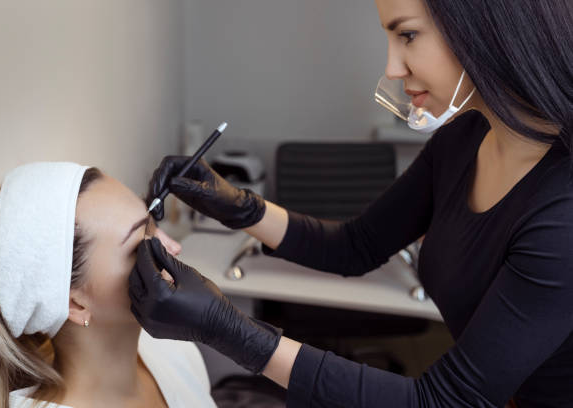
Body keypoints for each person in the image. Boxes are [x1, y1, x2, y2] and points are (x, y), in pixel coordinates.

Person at [129, 0, 573, 407]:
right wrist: (236, 204)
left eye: (408, 35)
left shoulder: (561, 212)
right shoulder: (464, 138)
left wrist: (228, 329)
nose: (392, 67)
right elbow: (355, 245)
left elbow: (444, 402)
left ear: (482, 26)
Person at [0, 163, 216, 408]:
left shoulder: (172, 351)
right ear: (75, 304)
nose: (173, 248)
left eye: (152, 224)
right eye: (140, 246)